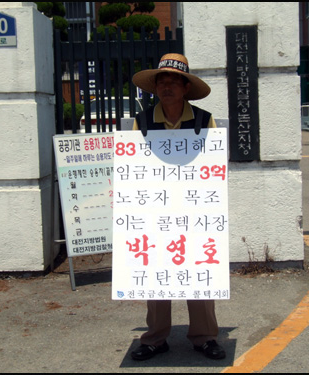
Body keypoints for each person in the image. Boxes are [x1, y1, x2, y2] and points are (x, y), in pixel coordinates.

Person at [129, 53, 226, 361]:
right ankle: (156, 338)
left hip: (195, 212)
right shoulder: (141, 122)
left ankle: (204, 336)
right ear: (155, 88)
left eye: (174, 81)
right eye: (162, 81)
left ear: (186, 88)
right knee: (157, 276)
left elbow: (215, 165)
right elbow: (132, 166)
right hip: (155, 211)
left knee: (199, 274)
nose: (167, 86)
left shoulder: (203, 120)